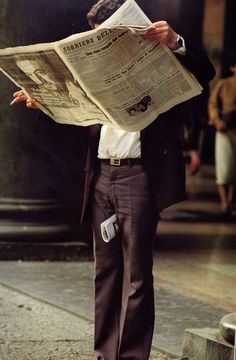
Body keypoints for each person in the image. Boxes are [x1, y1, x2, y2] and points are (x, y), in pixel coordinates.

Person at [12, 0, 215, 358]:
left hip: (138, 176)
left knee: (137, 275)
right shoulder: (93, 71)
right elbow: (74, 116)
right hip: (102, 175)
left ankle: (132, 355)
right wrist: (43, 101)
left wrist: (178, 42)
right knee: (104, 271)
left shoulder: (159, 55)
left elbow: (205, 72)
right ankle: (107, 352)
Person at [208, 55, 236, 216]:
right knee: (225, 165)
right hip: (224, 129)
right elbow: (213, 103)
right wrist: (216, 120)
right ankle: (224, 202)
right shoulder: (224, 84)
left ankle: (231, 201)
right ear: (233, 68)